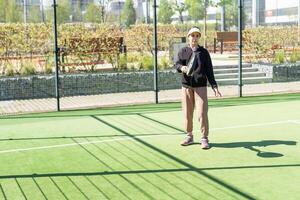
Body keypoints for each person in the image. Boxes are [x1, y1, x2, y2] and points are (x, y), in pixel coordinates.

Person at [175, 27, 222, 149]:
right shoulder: (183, 51)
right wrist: (182, 68)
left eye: (197, 36)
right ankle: (189, 136)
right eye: (192, 35)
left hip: (200, 87)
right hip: (186, 87)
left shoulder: (204, 53)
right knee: (187, 114)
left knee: (202, 113)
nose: (194, 38)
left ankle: (204, 138)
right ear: (188, 37)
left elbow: (209, 71)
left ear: (199, 38)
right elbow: (177, 64)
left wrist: (214, 86)